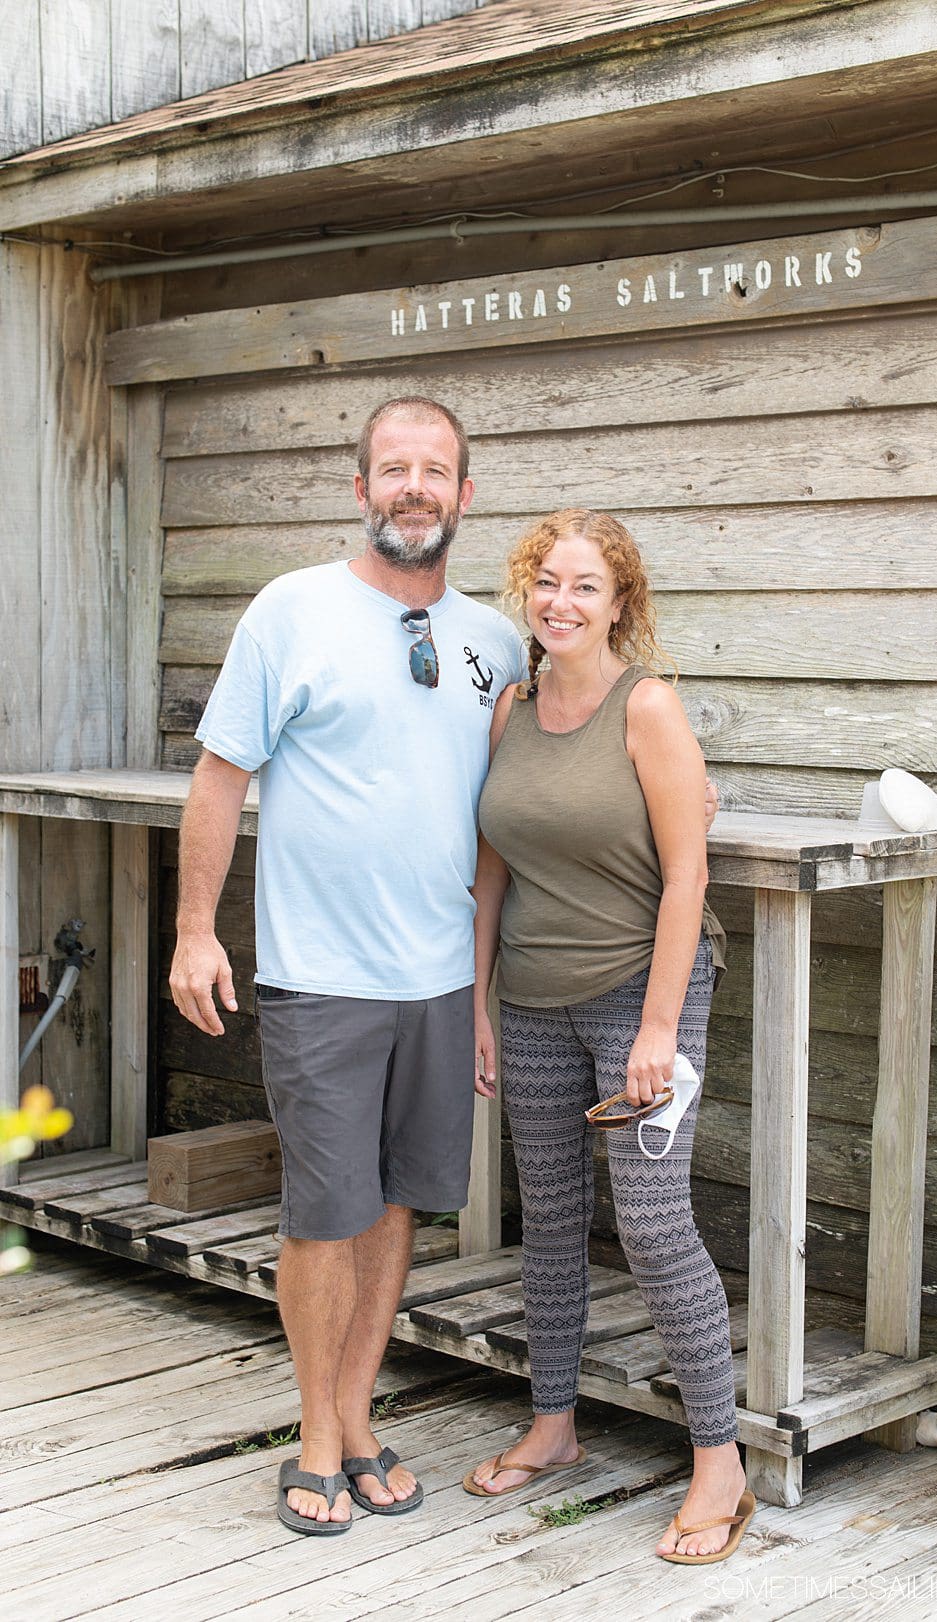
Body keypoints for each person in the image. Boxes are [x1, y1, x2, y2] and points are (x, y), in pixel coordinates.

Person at [168, 396, 528, 1534]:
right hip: (321, 972)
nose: (414, 486)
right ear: (360, 487)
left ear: (465, 495)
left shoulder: (497, 643)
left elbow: (509, 813)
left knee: (397, 1202)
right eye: (393, 468)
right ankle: (316, 1434)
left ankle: (359, 1414)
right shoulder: (291, 613)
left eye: (436, 470)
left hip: (436, 977)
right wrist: (191, 929)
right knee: (326, 1210)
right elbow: (220, 778)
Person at [465, 510, 754, 1565]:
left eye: (585, 585)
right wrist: (477, 998)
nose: (562, 602)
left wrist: (659, 1028)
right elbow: (492, 862)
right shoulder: (511, 708)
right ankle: (554, 1424)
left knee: (652, 1224)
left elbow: (689, 873)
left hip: (642, 994)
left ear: (620, 602)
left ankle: (719, 1462)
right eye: (547, 583)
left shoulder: (649, 708)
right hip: (531, 996)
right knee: (546, 1215)